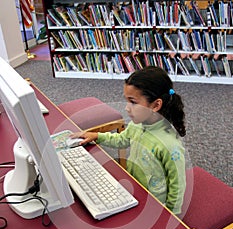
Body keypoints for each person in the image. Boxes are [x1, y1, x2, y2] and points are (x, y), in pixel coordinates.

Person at [71, 66, 186, 215]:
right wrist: (98, 136)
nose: (127, 108)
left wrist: (172, 215)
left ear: (156, 105)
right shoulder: (137, 126)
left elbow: (177, 184)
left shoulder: (170, 145)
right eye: (127, 101)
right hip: (134, 187)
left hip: (155, 201)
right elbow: (122, 140)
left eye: (133, 102)